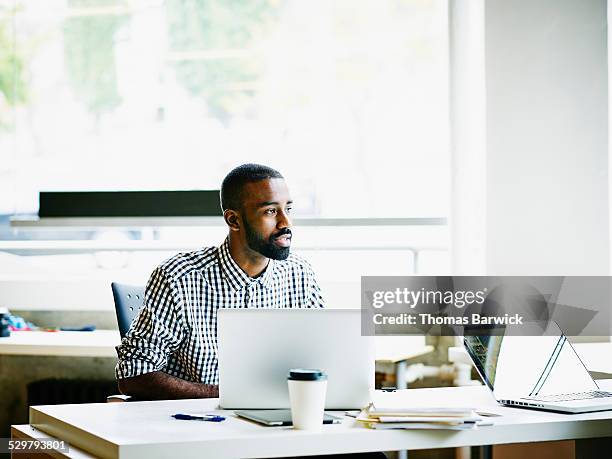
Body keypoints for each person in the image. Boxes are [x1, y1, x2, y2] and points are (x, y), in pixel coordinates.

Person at [115, 163, 325, 400]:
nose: (286, 223)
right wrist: (229, 395)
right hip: (198, 425)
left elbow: (322, 355)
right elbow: (133, 374)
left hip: (279, 421)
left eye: (288, 208)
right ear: (234, 220)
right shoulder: (178, 278)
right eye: (270, 211)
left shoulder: (300, 275)